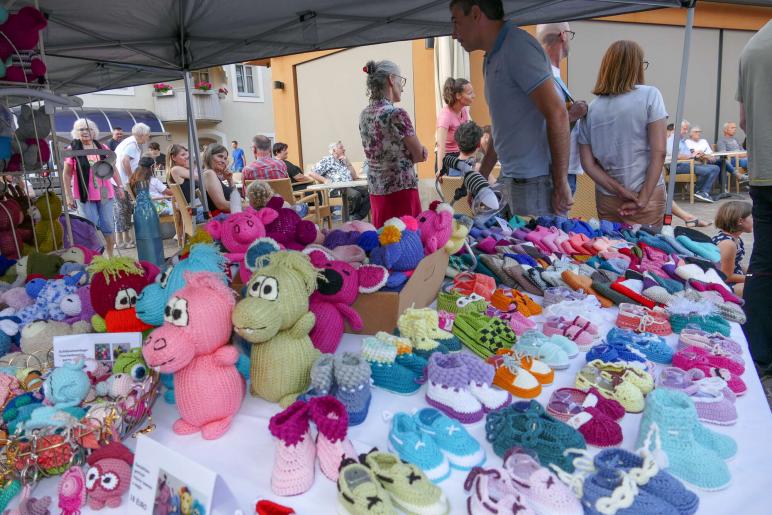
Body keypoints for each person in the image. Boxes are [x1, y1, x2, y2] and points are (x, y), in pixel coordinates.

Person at [450, 0, 572, 217]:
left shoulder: (518, 47)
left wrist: (561, 182)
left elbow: (558, 113)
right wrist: (482, 177)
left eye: (457, 23)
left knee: (535, 249)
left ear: (476, 14)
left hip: (535, 184)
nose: (454, 33)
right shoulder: (491, 57)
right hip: (512, 179)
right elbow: (502, 126)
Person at [577, 40, 667, 227]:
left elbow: (588, 164)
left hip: (608, 198)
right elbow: (659, 152)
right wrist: (643, 197)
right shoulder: (650, 95)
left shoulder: (592, 109)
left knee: (612, 251)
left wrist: (619, 190)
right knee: (651, 253)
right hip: (646, 195)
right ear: (636, 67)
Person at [737, 20, 772, 380]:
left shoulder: (753, 45)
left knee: (763, 262)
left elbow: (745, 120)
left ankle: (758, 351)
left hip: (764, 170)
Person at [536, 22, 586, 195]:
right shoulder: (545, 77)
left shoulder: (546, 75)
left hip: (558, 172)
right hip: (555, 174)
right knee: (552, 223)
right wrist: (572, 115)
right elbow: (542, 127)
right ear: (563, 36)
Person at [62, 118, 116, 257]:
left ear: (94, 132)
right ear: (76, 132)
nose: (86, 132)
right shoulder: (72, 149)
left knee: (108, 226)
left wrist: (120, 187)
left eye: (89, 129)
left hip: (105, 193)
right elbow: (67, 175)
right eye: (82, 129)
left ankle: (111, 255)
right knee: (89, 227)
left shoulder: (102, 148)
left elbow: (113, 168)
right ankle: (97, 257)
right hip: (84, 195)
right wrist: (68, 196)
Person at [310, 140, 370, 221]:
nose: (344, 149)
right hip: (337, 188)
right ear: (334, 150)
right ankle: (350, 217)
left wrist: (347, 162)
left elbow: (354, 177)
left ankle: (356, 217)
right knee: (356, 195)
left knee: (370, 192)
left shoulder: (343, 160)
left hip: (350, 185)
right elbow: (312, 172)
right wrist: (324, 180)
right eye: (341, 148)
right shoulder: (327, 160)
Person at [113, 123, 150, 249]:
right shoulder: (132, 144)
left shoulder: (130, 142)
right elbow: (125, 160)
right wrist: (131, 178)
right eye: (147, 135)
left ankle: (124, 239)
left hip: (119, 182)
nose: (148, 137)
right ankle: (121, 241)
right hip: (122, 182)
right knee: (122, 211)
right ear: (143, 134)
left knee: (124, 210)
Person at [667, 120, 719, 203]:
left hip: (688, 164)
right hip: (678, 166)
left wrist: (696, 155)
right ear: (676, 128)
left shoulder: (682, 140)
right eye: (684, 129)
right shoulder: (672, 139)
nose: (686, 131)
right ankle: (699, 191)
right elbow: (675, 155)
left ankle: (702, 192)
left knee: (715, 168)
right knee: (707, 170)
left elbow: (688, 154)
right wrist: (691, 155)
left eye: (687, 129)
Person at [712, 201, 752, 297]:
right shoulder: (728, 244)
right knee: (762, 287)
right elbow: (726, 276)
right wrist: (752, 278)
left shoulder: (735, 239)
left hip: (734, 279)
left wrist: (755, 273)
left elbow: (737, 264)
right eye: (752, 217)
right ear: (740, 221)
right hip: (724, 286)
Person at [435, 77, 474, 176]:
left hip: (460, 157)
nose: (474, 96)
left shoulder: (464, 111)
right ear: (458, 95)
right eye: (469, 93)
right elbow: (440, 145)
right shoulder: (445, 115)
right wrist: (441, 169)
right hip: (447, 160)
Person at [201, 143, 235, 216]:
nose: (223, 161)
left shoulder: (212, 174)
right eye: (220, 156)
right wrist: (247, 206)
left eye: (225, 158)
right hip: (221, 219)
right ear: (209, 156)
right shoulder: (209, 173)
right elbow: (222, 205)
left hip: (227, 215)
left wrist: (230, 179)